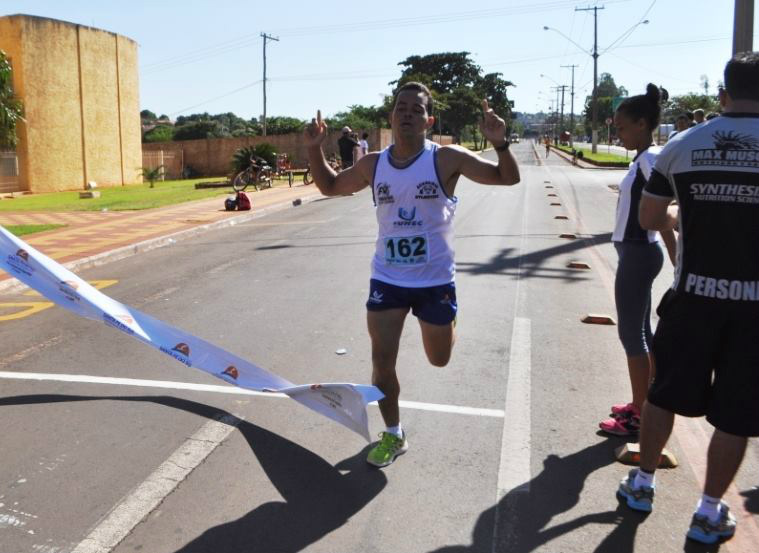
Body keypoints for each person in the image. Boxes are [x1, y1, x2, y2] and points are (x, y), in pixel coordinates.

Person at [303, 82, 520, 467]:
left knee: (439, 359)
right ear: (391, 117)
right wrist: (314, 149)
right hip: (387, 279)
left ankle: (449, 320)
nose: (406, 114)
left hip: (435, 282)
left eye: (415, 110)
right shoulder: (374, 165)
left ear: (429, 120)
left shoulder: (447, 159)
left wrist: (501, 144)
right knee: (382, 361)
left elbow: (507, 178)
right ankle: (393, 434)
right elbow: (331, 186)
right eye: (400, 107)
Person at [616, 51, 759, 545]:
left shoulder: (682, 144)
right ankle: (708, 510)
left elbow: (650, 220)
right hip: (754, 309)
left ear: (722, 95)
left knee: (663, 395)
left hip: (693, 295)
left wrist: (686, 217)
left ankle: (642, 484)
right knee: (736, 414)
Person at [598, 84, 677, 437]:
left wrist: (679, 262)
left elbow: (662, 213)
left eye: (622, 127)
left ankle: (640, 413)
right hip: (636, 252)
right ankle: (645, 403)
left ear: (643, 124)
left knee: (631, 333)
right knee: (642, 331)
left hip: (638, 253)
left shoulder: (649, 160)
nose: (618, 132)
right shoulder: (644, 158)